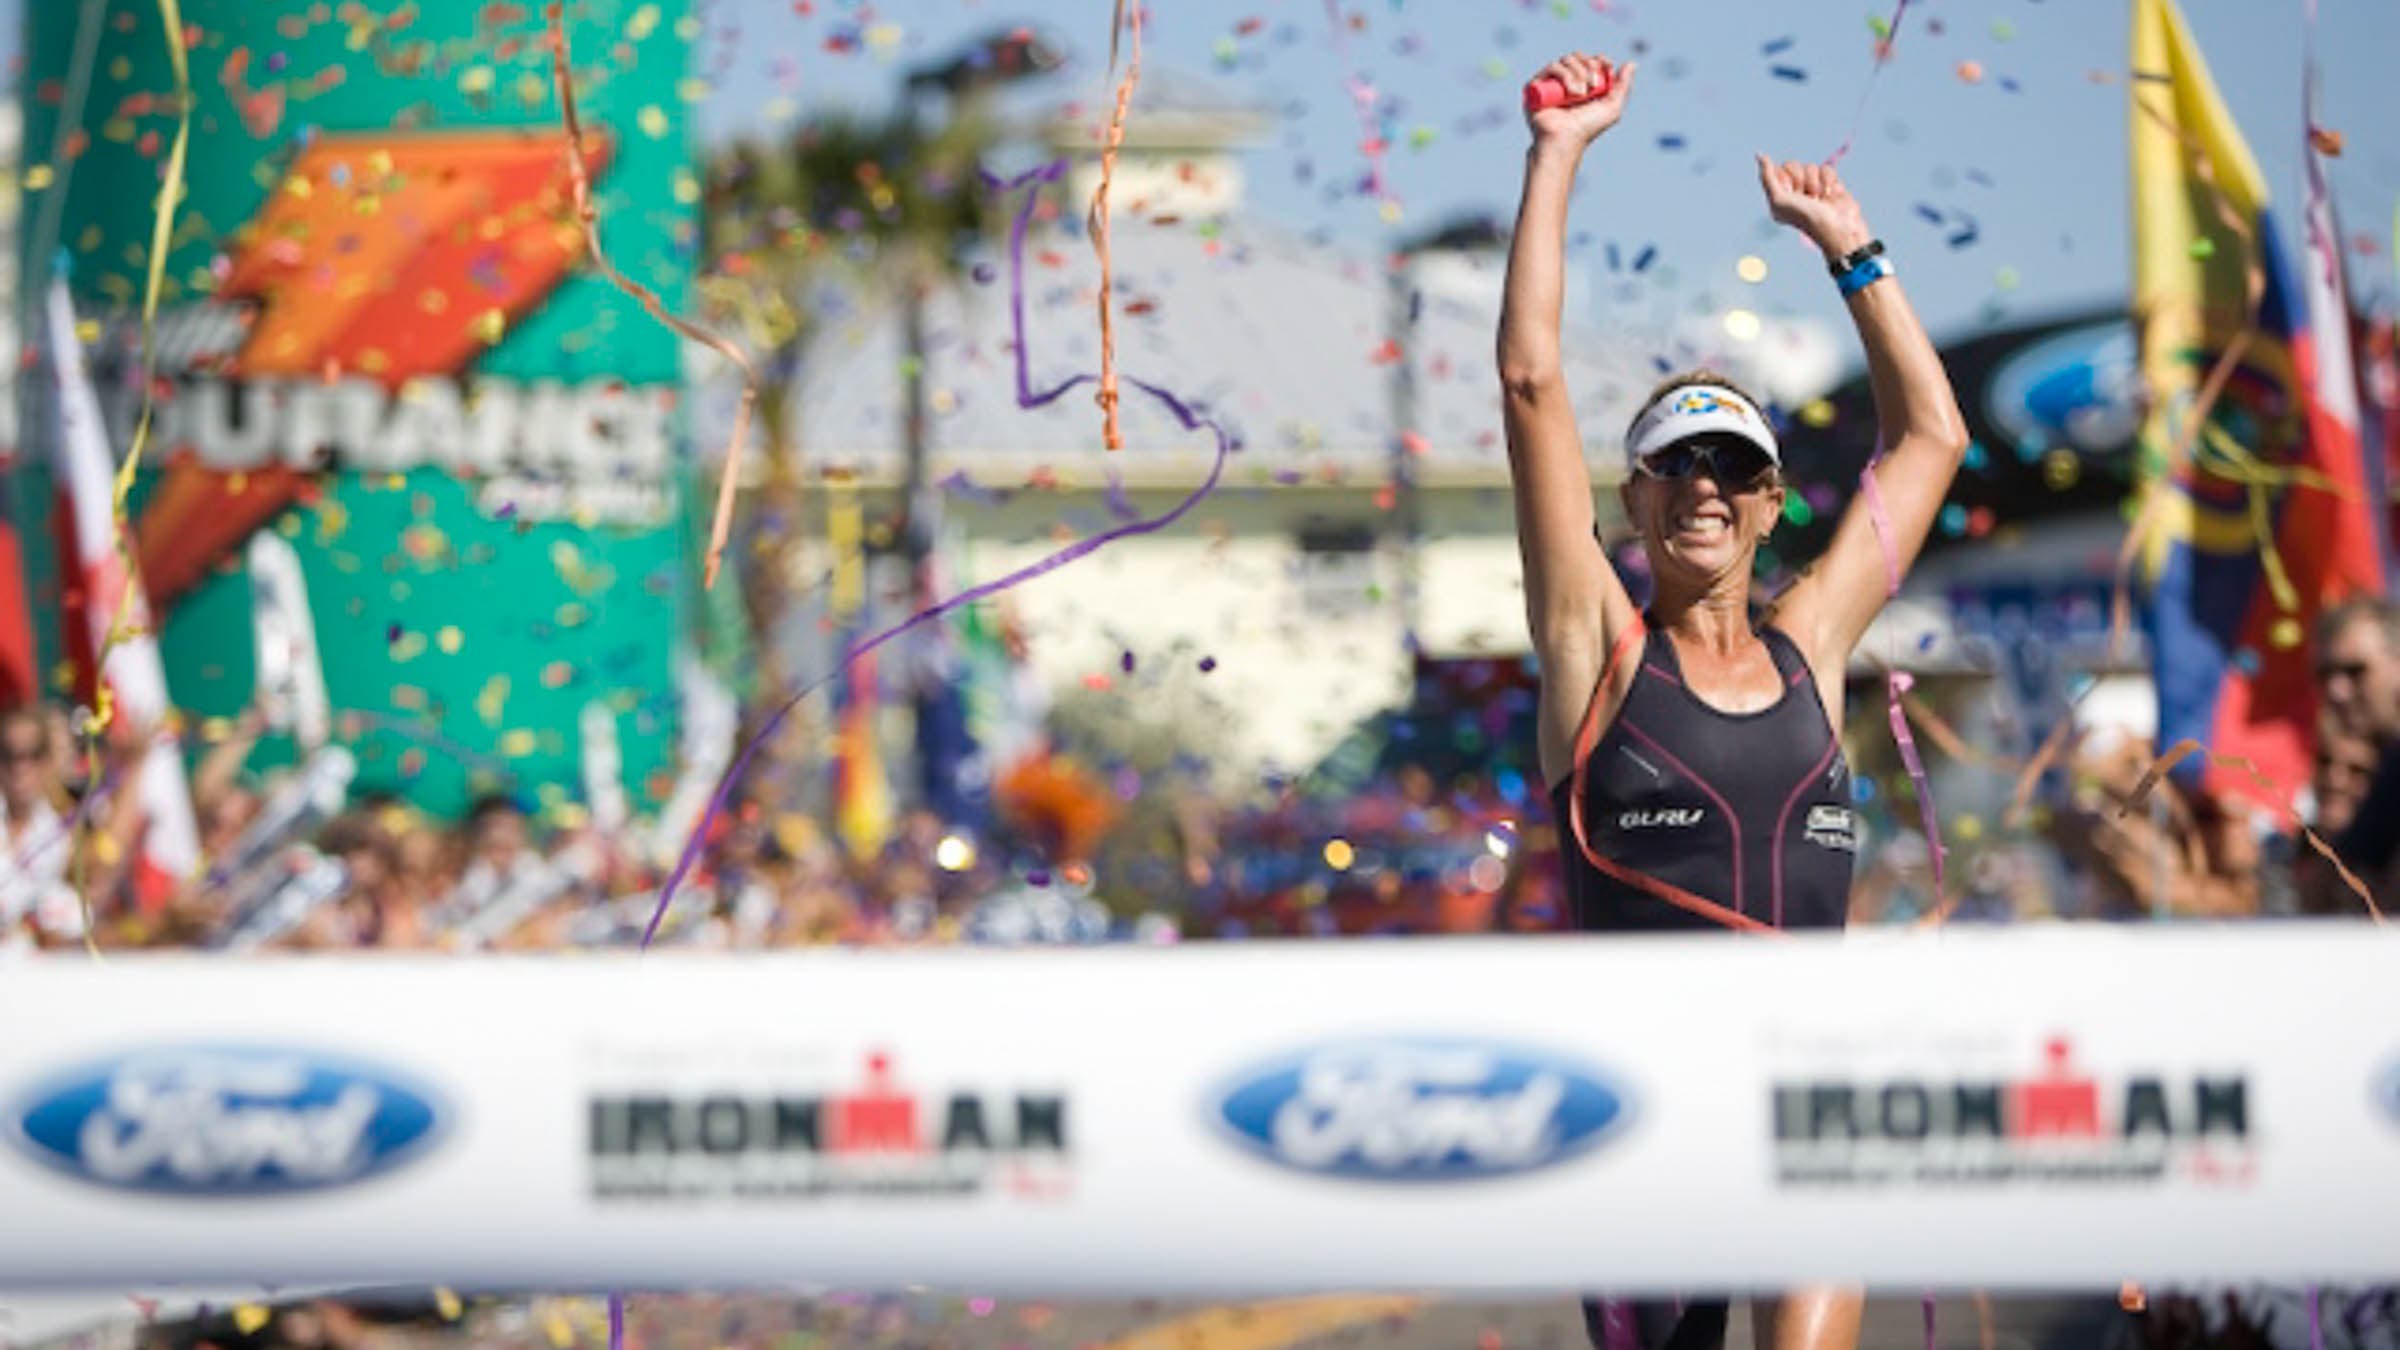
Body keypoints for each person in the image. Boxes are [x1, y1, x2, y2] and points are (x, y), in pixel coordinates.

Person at [1500, 52, 1967, 1350]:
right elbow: (1533, 381)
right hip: (1643, 1116)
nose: (1704, 483)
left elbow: (1930, 441)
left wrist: (1854, 248)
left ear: (1770, 503)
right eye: (1674, 465)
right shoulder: (1597, 647)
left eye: (1733, 465)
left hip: (1807, 1095)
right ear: (1636, 501)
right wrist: (1560, 155)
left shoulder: (1811, 644)